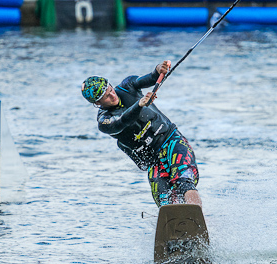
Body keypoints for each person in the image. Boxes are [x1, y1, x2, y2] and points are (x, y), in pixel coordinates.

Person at [81, 60, 202, 208]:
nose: (112, 95)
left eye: (110, 90)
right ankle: (174, 224)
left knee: (183, 181)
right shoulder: (104, 121)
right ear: (98, 104)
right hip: (153, 161)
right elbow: (121, 122)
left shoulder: (127, 86)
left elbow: (151, 77)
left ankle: (197, 216)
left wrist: (160, 68)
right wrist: (139, 105)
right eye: (106, 97)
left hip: (172, 141)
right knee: (165, 200)